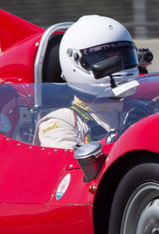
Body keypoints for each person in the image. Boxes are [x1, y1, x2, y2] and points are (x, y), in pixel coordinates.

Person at [37, 15, 142, 149]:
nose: (118, 66)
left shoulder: (138, 111)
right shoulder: (60, 123)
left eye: (122, 57)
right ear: (76, 62)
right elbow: (67, 168)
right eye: (103, 58)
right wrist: (110, 145)